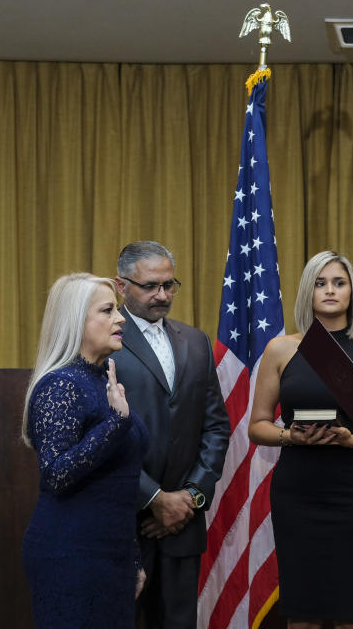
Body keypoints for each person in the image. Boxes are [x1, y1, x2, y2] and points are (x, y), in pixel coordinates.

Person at [248, 251, 353, 629]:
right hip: (298, 493)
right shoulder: (281, 349)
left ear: (352, 291)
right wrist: (291, 436)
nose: (330, 290)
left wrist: (351, 440)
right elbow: (257, 425)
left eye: (339, 282)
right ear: (308, 291)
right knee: (302, 613)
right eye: (321, 283)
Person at [110, 241, 231, 629]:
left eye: (169, 284)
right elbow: (102, 435)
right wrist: (155, 499)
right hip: (126, 522)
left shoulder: (195, 341)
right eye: (149, 286)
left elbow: (215, 426)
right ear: (121, 286)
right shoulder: (105, 341)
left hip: (185, 525)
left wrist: (188, 499)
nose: (161, 295)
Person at [21, 273, 149, 629]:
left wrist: (132, 558)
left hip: (112, 556)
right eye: (107, 310)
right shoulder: (60, 384)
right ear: (77, 321)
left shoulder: (101, 378)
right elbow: (56, 475)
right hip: (70, 556)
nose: (121, 318)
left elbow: (119, 484)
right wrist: (115, 425)